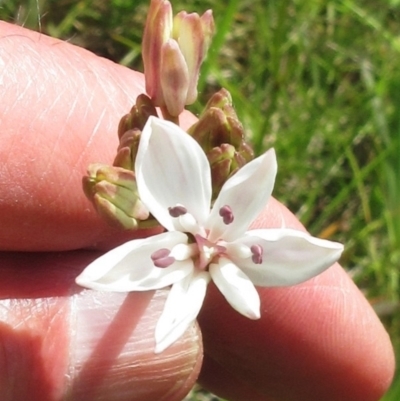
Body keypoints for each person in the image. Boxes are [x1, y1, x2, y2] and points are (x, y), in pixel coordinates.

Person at [0, 21, 394, 401]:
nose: (207, 248)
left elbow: (306, 252)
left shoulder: (175, 167)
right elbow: (159, 147)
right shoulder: (164, 162)